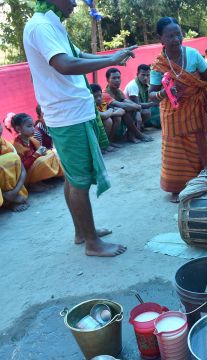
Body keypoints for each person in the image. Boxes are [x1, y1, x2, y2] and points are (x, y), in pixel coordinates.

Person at [23, 0, 131, 256]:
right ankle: (93, 244)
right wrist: (110, 61)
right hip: (67, 115)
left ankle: (82, 232)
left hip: (72, 113)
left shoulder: (51, 23)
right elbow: (65, 64)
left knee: (74, 178)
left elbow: (78, 55)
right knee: (80, 181)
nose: (75, 3)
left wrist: (113, 58)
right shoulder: (39, 26)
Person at [148, 17, 207, 203]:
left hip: (195, 109)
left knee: (197, 146)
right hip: (172, 113)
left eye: (178, 34)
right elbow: (151, 94)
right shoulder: (158, 64)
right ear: (161, 39)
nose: (176, 39)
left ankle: (200, 183)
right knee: (175, 150)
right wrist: (164, 93)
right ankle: (176, 188)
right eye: (170, 36)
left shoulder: (194, 55)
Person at [11, 113, 63, 191]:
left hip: (34, 166)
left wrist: (43, 151)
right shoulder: (17, 145)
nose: (33, 128)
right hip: (26, 173)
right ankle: (32, 183)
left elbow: (40, 151)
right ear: (19, 129)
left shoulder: (31, 139)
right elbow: (23, 166)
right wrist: (37, 154)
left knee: (52, 153)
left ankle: (58, 175)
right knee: (42, 161)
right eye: (29, 126)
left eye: (32, 125)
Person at [103, 67, 153, 143]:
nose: (117, 80)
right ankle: (137, 134)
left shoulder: (118, 91)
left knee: (132, 110)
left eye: (119, 78)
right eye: (114, 78)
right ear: (107, 80)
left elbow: (126, 101)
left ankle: (132, 135)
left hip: (118, 113)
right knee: (125, 110)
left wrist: (137, 110)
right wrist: (138, 107)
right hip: (108, 115)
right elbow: (122, 105)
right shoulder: (105, 93)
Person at [0, 119, 28, 212]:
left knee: (11, 158)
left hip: (12, 191)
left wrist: (13, 192)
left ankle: (11, 199)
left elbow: (23, 171)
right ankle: (6, 200)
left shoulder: (8, 145)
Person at [91, 83, 123, 149]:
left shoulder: (103, 103)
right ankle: (101, 146)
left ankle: (109, 142)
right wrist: (110, 111)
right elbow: (104, 115)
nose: (99, 99)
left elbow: (122, 111)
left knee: (117, 117)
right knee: (108, 121)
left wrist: (110, 113)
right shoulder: (91, 106)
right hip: (94, 129)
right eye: (95, 97)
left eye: (100, 96)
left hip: (103, 123)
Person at [124, 64, 157, 129]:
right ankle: (136, 128)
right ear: (137, 74)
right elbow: (136, 105)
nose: (145, 78)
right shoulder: (133, 85)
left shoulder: (146, 84)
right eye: (143, 75)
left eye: (148, 75)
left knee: (157, 109)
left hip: (138, 108)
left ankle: (142, 125)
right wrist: (153, 104)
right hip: (130, 110)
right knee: (146, 112)